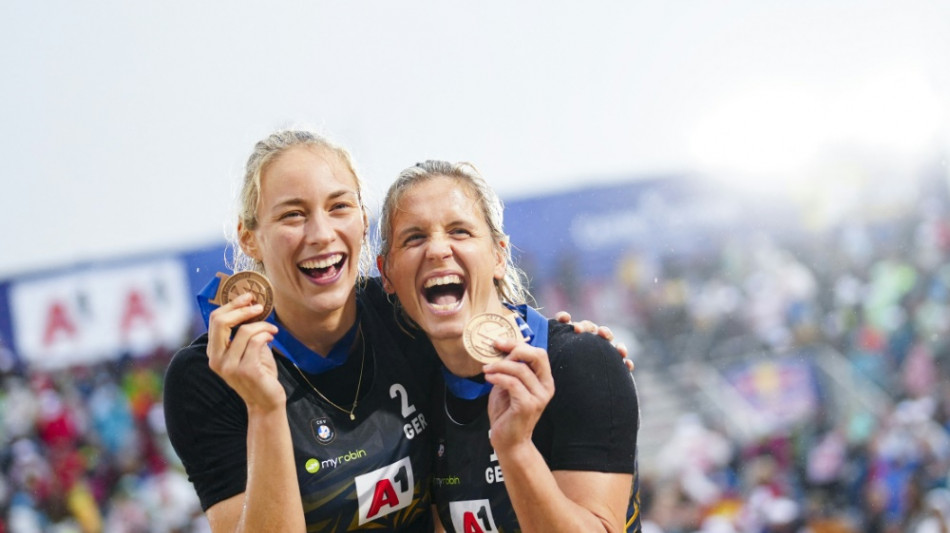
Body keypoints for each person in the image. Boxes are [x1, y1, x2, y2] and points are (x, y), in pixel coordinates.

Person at [163, 129, 628, 532]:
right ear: (249, 236)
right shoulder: (208, 377)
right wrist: (265, 409)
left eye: (339, 206)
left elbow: (486, 315)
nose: (321, 233)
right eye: (292, 214)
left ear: (363, 222)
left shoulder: (401, 318)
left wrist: (579, 353)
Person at [376, 160, 642, 532]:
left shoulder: (581, 363)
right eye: (414, 237)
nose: (437, 249)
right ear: (386, 273)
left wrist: (515, 449)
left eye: (460, 231)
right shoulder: (419, 389)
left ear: (499, 255)